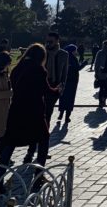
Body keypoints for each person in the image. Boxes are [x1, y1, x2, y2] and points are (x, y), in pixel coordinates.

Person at [0, 44, 60, 192]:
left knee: (9, 144)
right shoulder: (39, 70)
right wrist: (57, 90)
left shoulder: (17, 69)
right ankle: (38, 176)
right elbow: (46, 91)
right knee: (43, 140)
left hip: (16, 111)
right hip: (34, 112)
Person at [23, 32, 68, 163]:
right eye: (47, 41)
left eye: (51, 42)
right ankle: (31, 152)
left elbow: (64, 74)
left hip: (53, 89)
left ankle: (41, 151)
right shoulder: (41, 53)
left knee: (46, 119)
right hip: (40, 88)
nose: (48, 44)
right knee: (37, 120)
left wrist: (60, 89)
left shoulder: (63, 55)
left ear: (57, 41)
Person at [58, 44, 86, 123]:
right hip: (73, 81)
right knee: (70, 98)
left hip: (64, 80)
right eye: (75, 50)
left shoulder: (64, 58)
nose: (76, 52)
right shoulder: (73, 59)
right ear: (72, 51)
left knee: (63, 97)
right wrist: (84, 63)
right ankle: (67, 117)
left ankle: (61, 113)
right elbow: (77, 68)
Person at [93, 39, 107, 107]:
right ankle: (104, 99)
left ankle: (101, 101)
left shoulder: (100, 52)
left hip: (100, 73)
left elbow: (96, 63)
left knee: (101, 88)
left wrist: (96, 72)